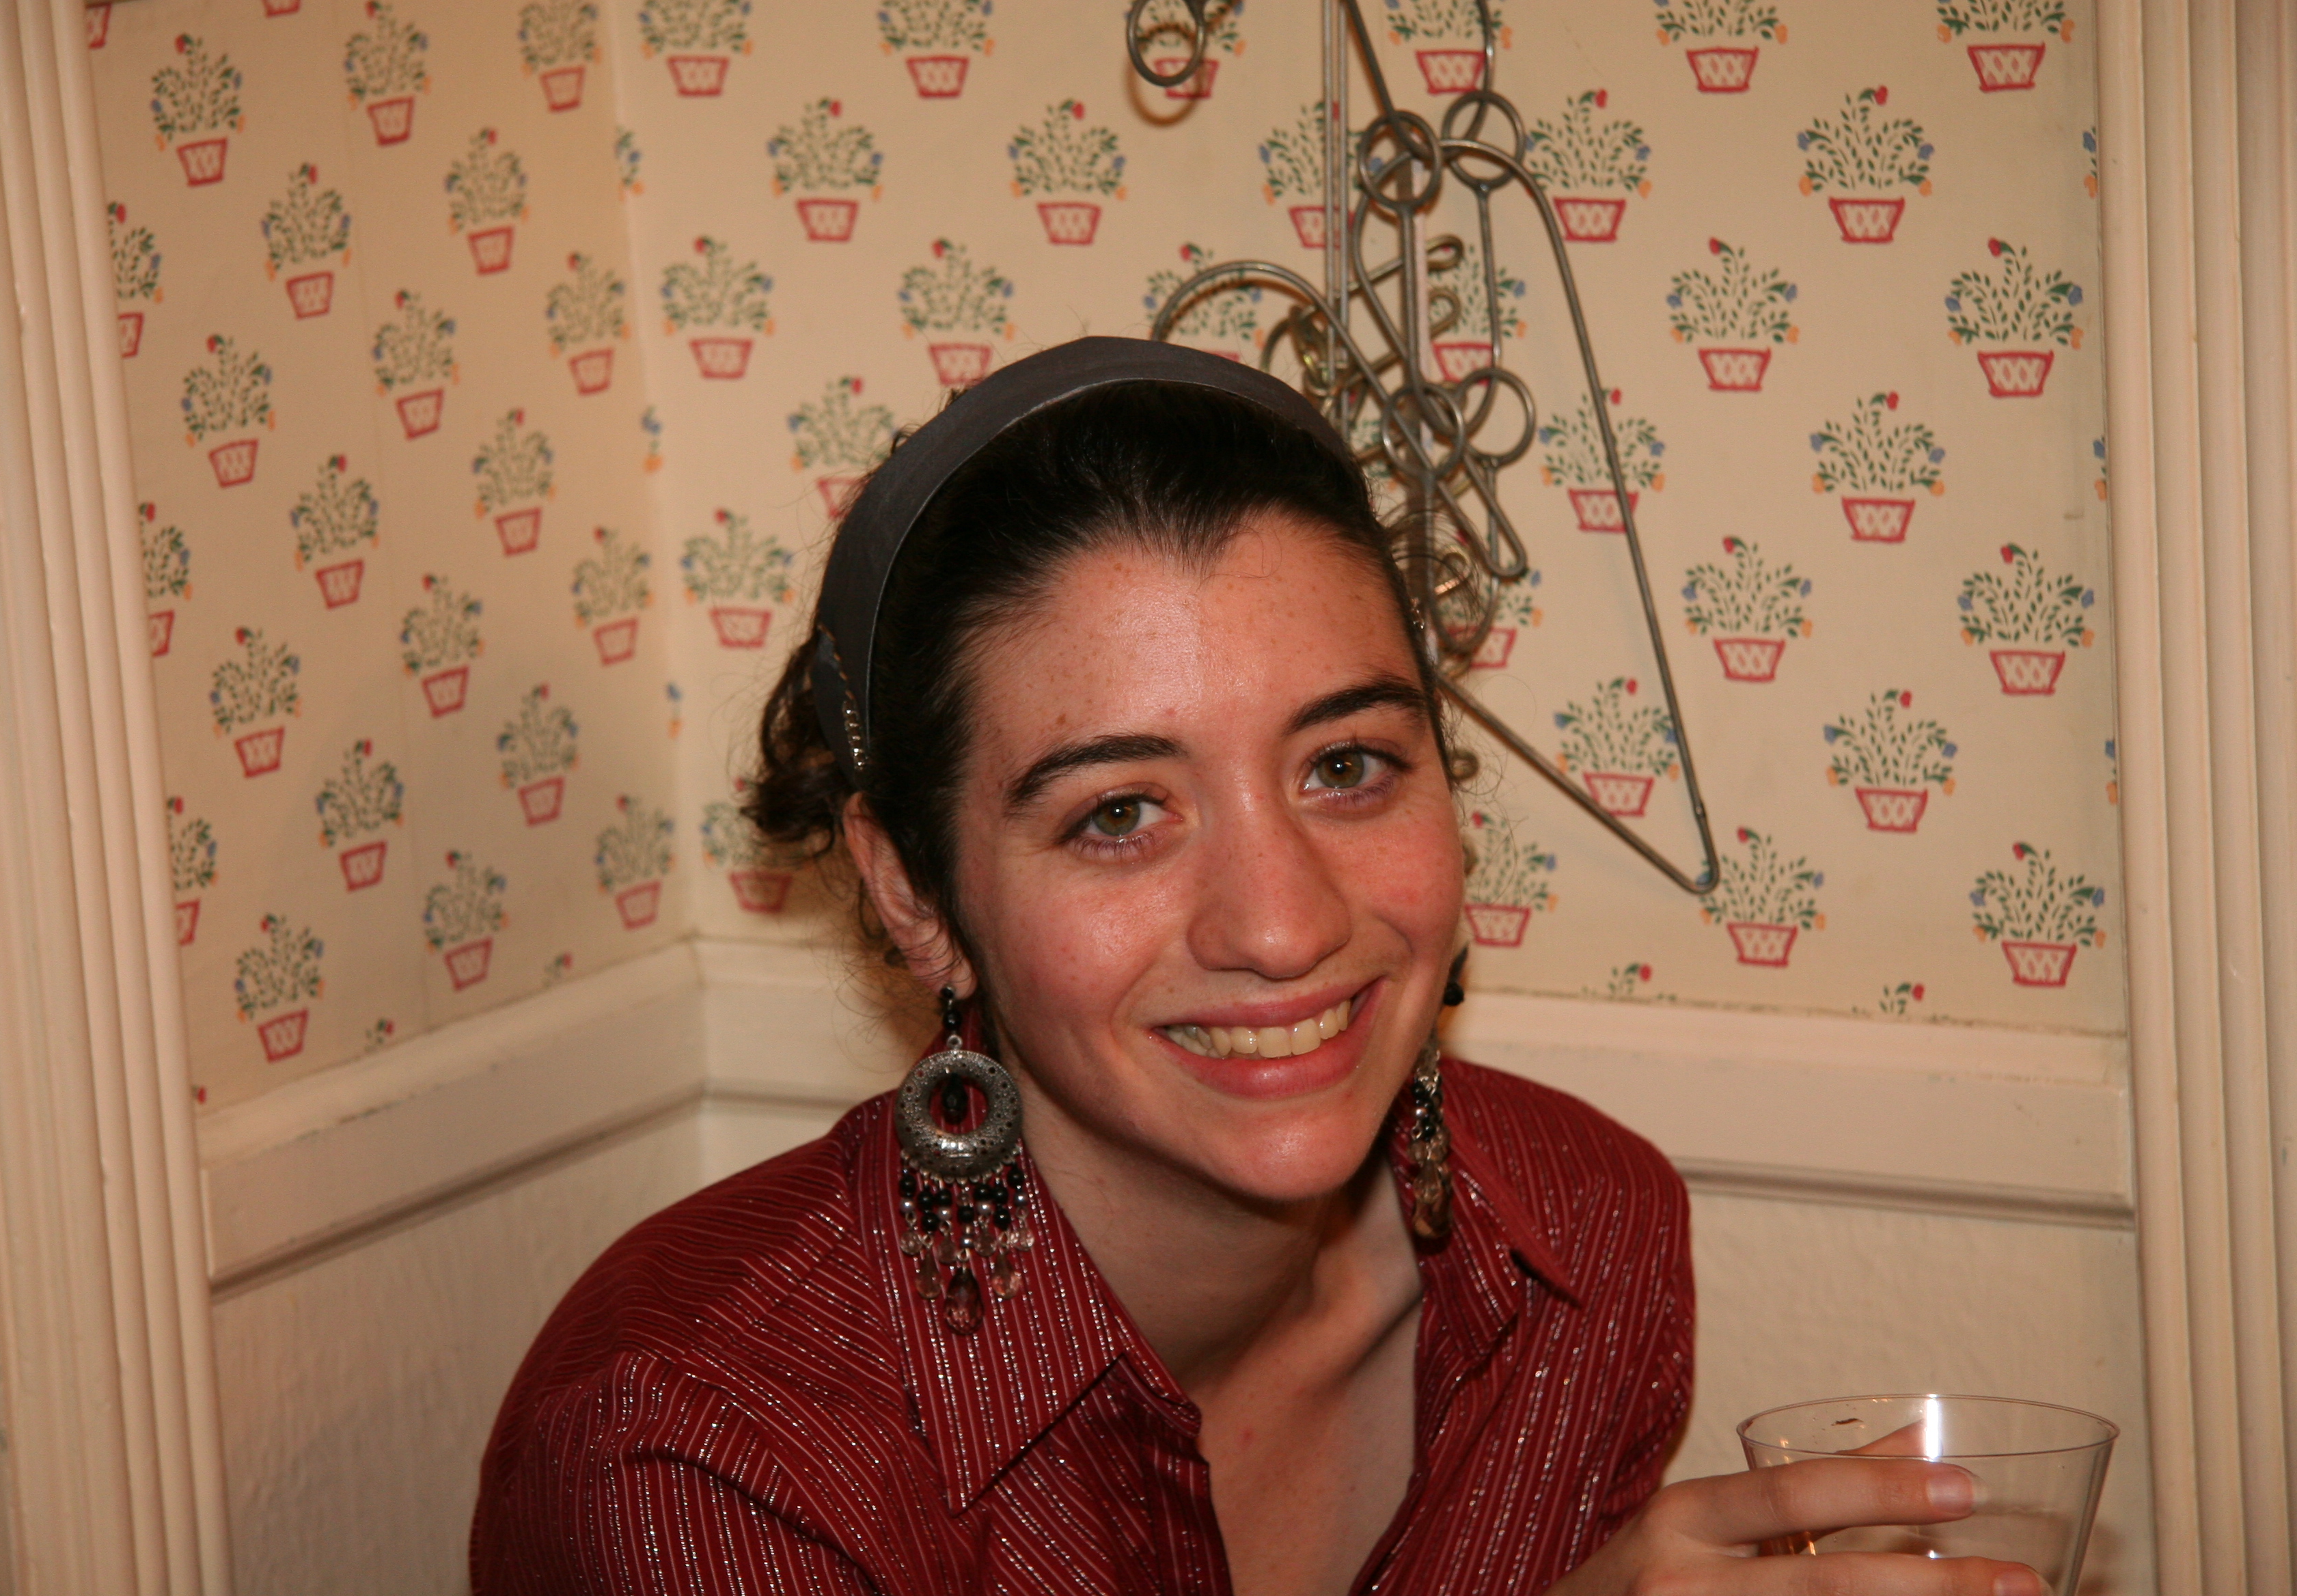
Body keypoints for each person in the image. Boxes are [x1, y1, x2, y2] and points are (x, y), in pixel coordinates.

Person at [471, 339, 2038, 1595]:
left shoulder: (1584, 1256)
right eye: (1120, 812)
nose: (1283, 926)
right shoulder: (699, 1443)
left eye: (1347, 767)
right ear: (915, 892)